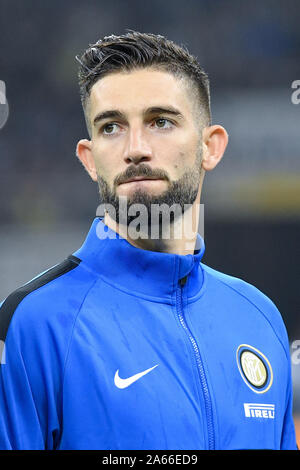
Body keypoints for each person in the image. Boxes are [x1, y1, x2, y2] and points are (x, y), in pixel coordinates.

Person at [0, 31, 297, 450]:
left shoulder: (261, 319)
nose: (136, 148)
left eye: (161, 121)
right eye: (111, 127)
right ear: (89, 159)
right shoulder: (30, 325)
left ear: (210, 147)